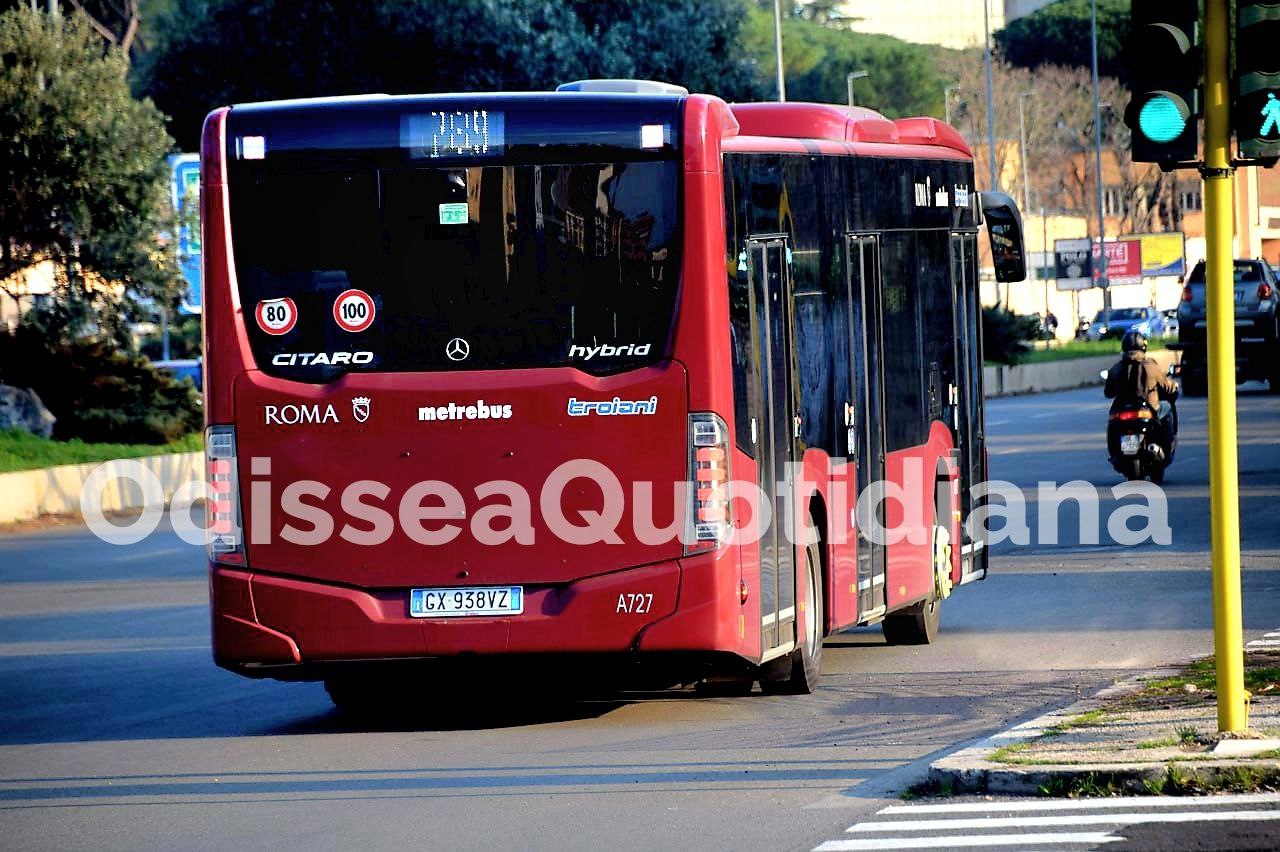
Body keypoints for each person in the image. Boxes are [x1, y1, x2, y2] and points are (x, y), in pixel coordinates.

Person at [1104, 330, 1179, 439]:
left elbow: (1108, 392)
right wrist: (1174, 386)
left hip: (1121, 409)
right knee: (1166, 407)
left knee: (1112, 422)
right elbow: (1166, 386)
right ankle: (1168, 443)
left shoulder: (1116, 368)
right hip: (1147, 409)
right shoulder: (1150, 365)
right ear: (1143, 347)